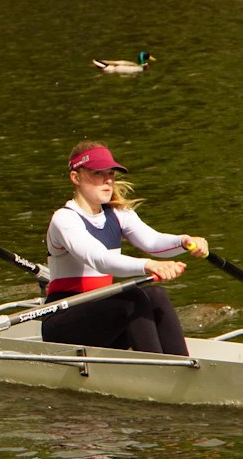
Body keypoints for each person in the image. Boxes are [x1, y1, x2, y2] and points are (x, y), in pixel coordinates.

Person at [42, 140, 209, 356]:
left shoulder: (118, 214)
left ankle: (182, 366)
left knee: (155, 293)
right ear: (75, 177)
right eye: (98, 173)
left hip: (102, 318)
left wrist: (185, 241)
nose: (108, 180)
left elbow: (153, 242)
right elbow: (99, 259)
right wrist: (149, 265)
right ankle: (159, 373)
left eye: (111, 173)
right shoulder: (64, 219)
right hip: (64, 322)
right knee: (133, 299)